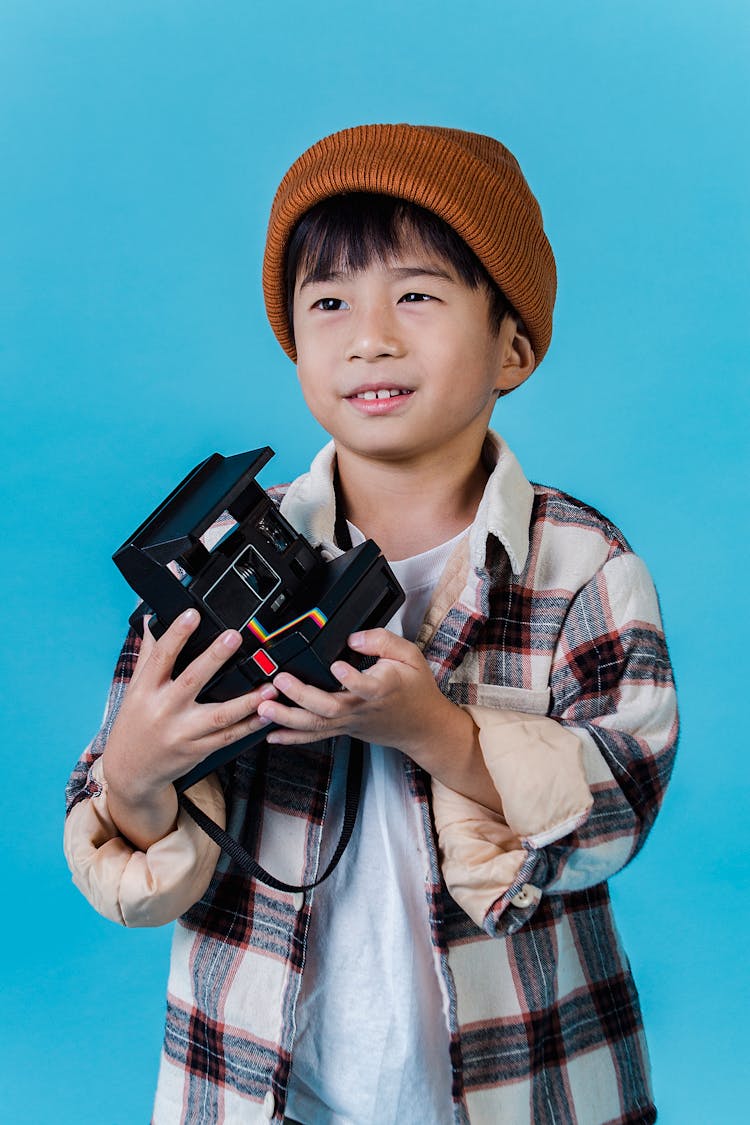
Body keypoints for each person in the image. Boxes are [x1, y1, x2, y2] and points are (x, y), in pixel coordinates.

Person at [64, 124, 678, 1125]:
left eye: (418, 295)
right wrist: (134, 775)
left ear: (512, 343)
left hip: (521, 1074)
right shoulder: (217, 564)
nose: (371, 336)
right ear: (296, 342)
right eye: (330, 302)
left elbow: (619, 804)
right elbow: (128, 846)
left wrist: (430, 728)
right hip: (266, 1080)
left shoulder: (581, 565)